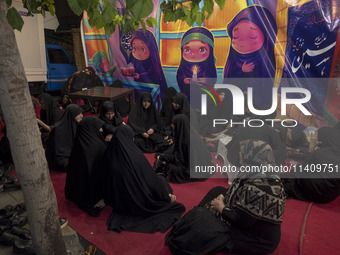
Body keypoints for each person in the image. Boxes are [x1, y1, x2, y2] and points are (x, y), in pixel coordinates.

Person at [166, 139, 286, 255]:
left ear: (252, 156)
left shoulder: (260, 186)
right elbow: (234, 191)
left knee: (207, 228)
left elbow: (244, 222)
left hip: (254, 238)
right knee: (218, 191)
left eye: (243, 152)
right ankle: (200, 216)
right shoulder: (255, 169)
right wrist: (221, 200)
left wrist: (221, 208)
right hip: (245, 217)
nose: (239, 154)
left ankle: (201, 218)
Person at [103, 125, 185, 233]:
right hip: (138, 198)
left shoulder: (108, 154)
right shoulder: (135, 156)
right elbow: (149, 180)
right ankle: (167, 196)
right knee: (160, 178)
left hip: (118, 201)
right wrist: (165, 196)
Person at [283, 126, 340, 203]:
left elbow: (302, 168)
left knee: (294, 172)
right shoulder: (334, 152)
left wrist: (312, 147)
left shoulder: (322, 153)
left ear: (321, 140)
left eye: (316, 134)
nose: (313, 136)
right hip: (329, 197)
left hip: (314, 193)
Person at [65, 117, 107, 216]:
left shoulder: (79, 142)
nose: (101, 130)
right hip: (95, 189)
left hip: (79, 190)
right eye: (98, 127)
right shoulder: (97, 144)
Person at [156, 114, 212, 183]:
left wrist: (165, 157)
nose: (172, 125)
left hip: (192, 167)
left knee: (171, 168)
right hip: (199, 163)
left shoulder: (187, 140)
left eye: (174, 124)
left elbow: (182, 160)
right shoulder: (189, 132)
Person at [176, 27, 217, 105]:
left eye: (202, 49)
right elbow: (179, 76)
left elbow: (213, 78)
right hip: (188, 96)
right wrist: (185, 81)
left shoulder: (208, 65)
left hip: (204, 97)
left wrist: (205, 81)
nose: (193, 54)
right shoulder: (184, 65)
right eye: (187, 49)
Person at [129, 29, 168, 106]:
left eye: (142, 49)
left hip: (151, 91)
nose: (138, 53)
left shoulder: (153, 63)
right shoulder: (135, 62)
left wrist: (140, 76)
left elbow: (153, 74)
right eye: (134, 48)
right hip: (139, 91)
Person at [45, 104, 83, 172]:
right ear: (72, 115)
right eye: (79, 114)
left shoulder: (76, 125)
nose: (82, 116)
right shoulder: (58, 129)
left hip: (71, 154)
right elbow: (56, 150)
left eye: (81, 113)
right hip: (60, 158)